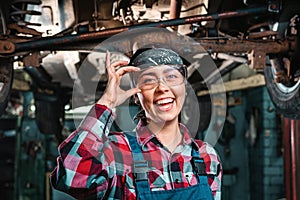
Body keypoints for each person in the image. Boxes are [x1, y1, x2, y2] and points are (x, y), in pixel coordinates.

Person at [50, 48, 222, 200]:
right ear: (136, 95)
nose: (162, 88)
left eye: (171, 76)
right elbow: (72, 177)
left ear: (184, 87)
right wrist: (107, 103)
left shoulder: (207, 155)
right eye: (148, 80)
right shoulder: (116, 151)